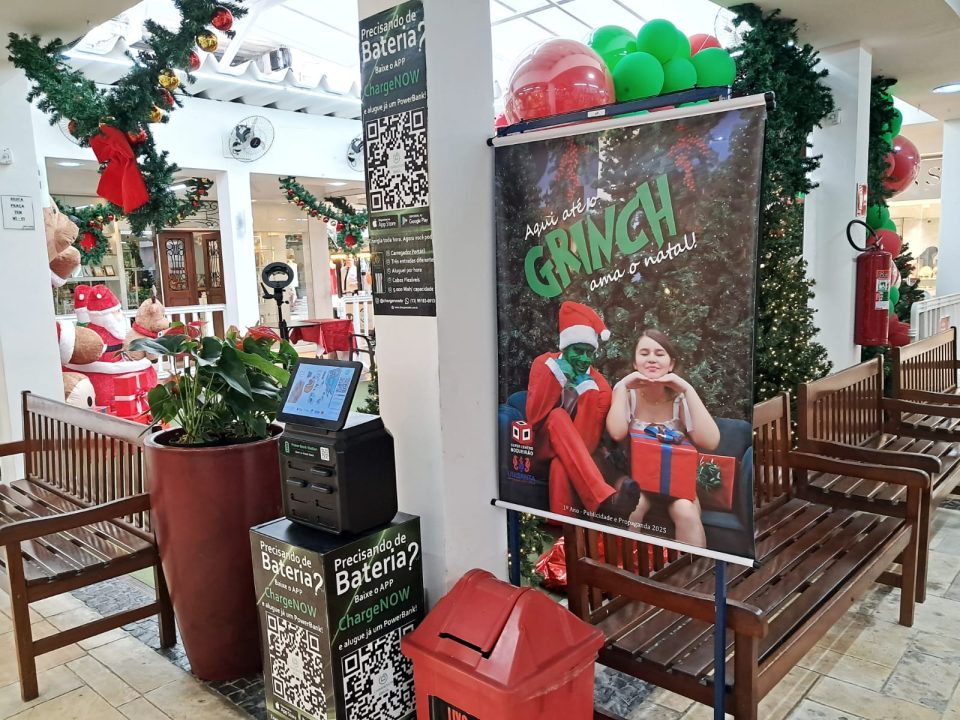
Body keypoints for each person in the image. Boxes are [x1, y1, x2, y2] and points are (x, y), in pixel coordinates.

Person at [526, 301, 640, 520]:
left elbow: (587, 445)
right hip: (539, 450)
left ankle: (563, 534)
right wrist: (556, 376)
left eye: (590, 353)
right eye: (578, 351)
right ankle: (603, 498)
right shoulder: (544, 365)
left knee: (561, 466)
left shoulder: (600, 387)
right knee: (557, 415)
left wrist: (587, 392)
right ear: (565, 347)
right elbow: (534, 419)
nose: (585, 359)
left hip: (575, 457)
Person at [606, 329, 720, 547]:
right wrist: (622, 386)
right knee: (634, 505)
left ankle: (692, 568)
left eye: (659, 354)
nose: (651, 359)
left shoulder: (680, 399)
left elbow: (711, 441)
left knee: (686, 510)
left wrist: (687, 389)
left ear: (671, 364)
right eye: (644, 353)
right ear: (635, 362)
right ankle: (626, 565)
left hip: (675, 482)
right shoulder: (627, 394)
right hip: (636, 478)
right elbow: (616, 432)